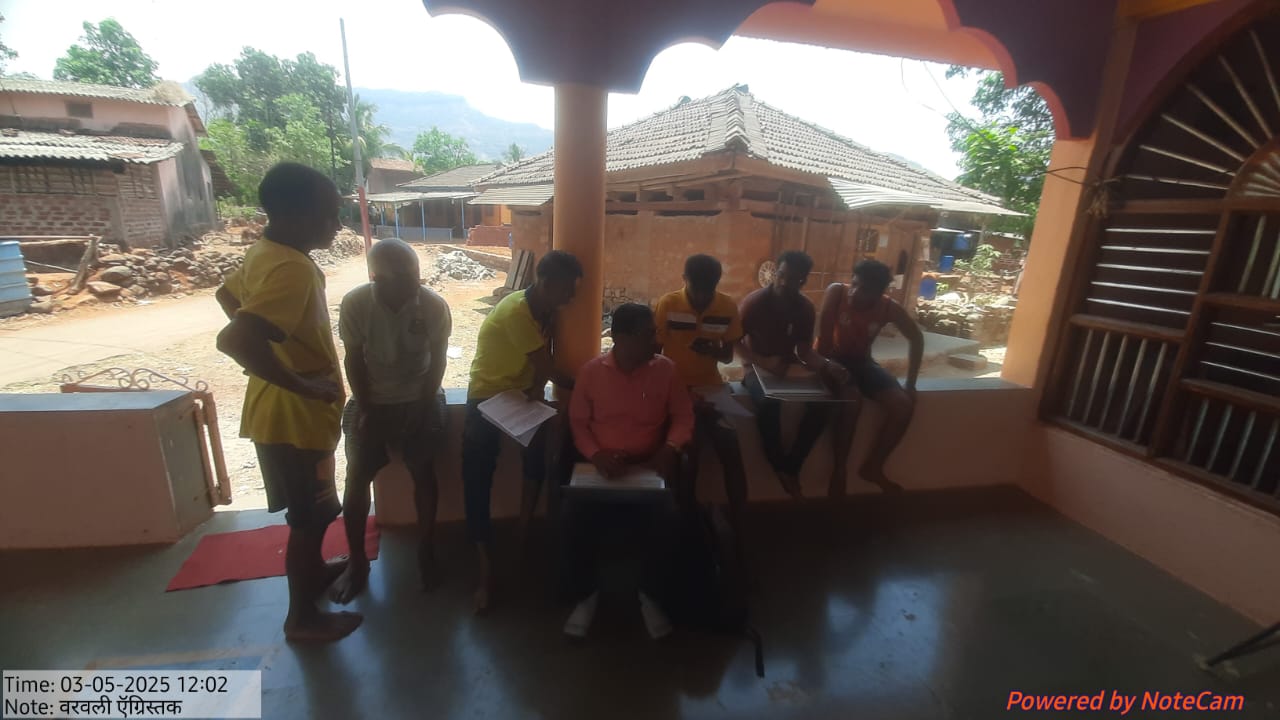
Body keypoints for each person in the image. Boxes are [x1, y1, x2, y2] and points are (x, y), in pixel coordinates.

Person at [214, 162, 359, 643]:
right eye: (328, 213)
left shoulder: (267, 251)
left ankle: (313, 574)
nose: (337, 224)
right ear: (295, 214)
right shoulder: (292, 268)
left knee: (313, 509)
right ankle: (302, 619)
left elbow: (226, 296)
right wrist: (301, 383)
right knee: (311, 517)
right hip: (294, 418)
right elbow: (235, 338)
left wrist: (277, 359)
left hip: (278, 412)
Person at [563, 303, 694, 639]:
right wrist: (596, 455)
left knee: (669, 521)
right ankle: (586, 598)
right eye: (648, 334)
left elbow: (683, 417)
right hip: (600, 467)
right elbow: (578, 423)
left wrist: (670, 447)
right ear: (621, 338)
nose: (656, 340)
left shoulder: (666, 370)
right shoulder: (592, 372)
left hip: (648, 466)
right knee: (573, 518)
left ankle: (649, 597)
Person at [331, 238, 451, 603]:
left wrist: (423, 406)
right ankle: (357, 561)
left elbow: (439, 360)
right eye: (401, 277)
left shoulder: (432, 305)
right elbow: (353, 360)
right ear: (375, 278)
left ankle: (426, 550)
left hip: (421, 394)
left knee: (423, 471)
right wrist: (368, 409)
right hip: (372, 398)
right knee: (356, 479)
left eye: (415, 274)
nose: (413, 283)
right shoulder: (356, 303)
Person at [462, 250, 581, 613]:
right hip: (487, 396)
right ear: (546, 283)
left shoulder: (546, 311)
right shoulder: (516, 312)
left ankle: (524, 531)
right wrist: (595, 384)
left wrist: (536, 391)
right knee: (477, 474)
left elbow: (542, 369)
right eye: (568, 288)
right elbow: (551, 369)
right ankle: (484, 565)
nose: (573, 296)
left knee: (539, 458)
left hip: (521, 396)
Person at [737, 250, 848, 499]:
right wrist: (763, 361)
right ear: (775, 273)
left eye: (793, 279)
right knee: (768, 404)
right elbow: (734, 341)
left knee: (825, 404)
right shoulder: (754, 303)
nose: (784, 282)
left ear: (803, 281)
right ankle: (781, 467)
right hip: (755, 368)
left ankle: (790, 467)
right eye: (781, 275)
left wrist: (826, 365)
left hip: (789, 368)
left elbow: (804, 350)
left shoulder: (804, 308)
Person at [653, 254, 748, 538]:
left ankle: (741, 523)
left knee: (730, 447)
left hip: (712, 390)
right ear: (685, 280)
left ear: (717, 283)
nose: (703, 296)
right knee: (689, 453)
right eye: (697, 289)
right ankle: (686, 521)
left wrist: (712, 350)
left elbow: (727, 355)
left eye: (709, 289)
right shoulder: (668, 304)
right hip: (677, 390)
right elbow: (655, 354)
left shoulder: (727, 306)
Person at [818, 259, 923, 496]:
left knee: (903, 406)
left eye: (865, 289)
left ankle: (873, 467)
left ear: (879, 293)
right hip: (830, 360)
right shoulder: (837, 292)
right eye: (854, 284)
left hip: (862, 363)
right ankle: (839, 469)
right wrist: (829, 368)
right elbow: (823, 343)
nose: (855, 292)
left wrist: (911, 384)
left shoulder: (888, 308)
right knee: (851, 401)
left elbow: (916, 338)